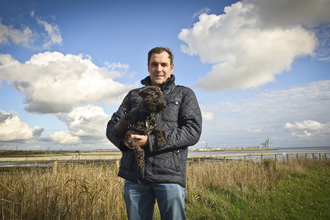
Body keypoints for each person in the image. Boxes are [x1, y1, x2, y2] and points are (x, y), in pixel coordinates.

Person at [106, 47, 202, 220]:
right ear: (148, 66)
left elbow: (192, 131)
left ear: (171, 67)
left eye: (164, 64)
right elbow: (112, 126)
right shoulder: (133, 95)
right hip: (135, 178)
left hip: (169, 177)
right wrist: (123, 144)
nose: (159, 69)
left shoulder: (184, 94)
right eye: (154, 64)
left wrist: (149, 142)